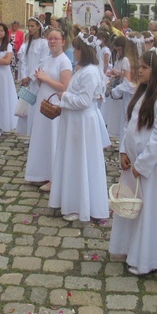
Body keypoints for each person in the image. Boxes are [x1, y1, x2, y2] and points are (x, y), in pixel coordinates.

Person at [109, 48, 157, 279]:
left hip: (153, 167)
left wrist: (141, 165)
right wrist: (124, 149)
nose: (138, 70)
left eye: (143, 67)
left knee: (151, 209)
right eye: (139, 66)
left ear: (156, 71)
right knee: (134, 207)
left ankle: (149, 257)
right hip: (133, 163)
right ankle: (132, 248)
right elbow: (130, 125)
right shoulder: (142, 94)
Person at [49, 33, 109, 222]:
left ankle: (79, 204)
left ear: (83, 51)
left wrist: (63, 97)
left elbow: (84, 101)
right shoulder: (83, 70)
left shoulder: (90, 72)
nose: (73, 52)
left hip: (82, 122)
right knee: (73, 160)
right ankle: (71, 199)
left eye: (75, 49)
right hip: (74, 121)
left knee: (81, 161)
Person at [25, 28, 72, 190]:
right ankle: (40, 173)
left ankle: (54, 177)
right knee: (41, 137)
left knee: (53, 139)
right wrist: (39, 79)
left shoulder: (64, 61)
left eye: (56, 39)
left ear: (63, 41)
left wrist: (45, 78)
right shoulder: (45, 59)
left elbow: (64, 87)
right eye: (50, 39)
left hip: (55, 103)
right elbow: (41, 79)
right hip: (42, 100)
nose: (52, 41)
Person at [16, 18, 50, 135]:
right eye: (28, 26)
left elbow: (43, 62)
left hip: (37, 80)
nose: (29, 28)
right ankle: (30, 133)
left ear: (38, 27)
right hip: (29, 81)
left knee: (37, 107)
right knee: (30, 107)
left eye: (32, 26)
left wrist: (30, 77)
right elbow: (24, 60)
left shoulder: (44, 44)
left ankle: (38, 134)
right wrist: (24, 76)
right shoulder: (27, 44)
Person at [0, 23, 18, 137]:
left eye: (1, 30)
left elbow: (7, 62)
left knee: (3, 98)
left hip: (4, 75)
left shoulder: (8, 46)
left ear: (5, 32)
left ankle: (1, 125)